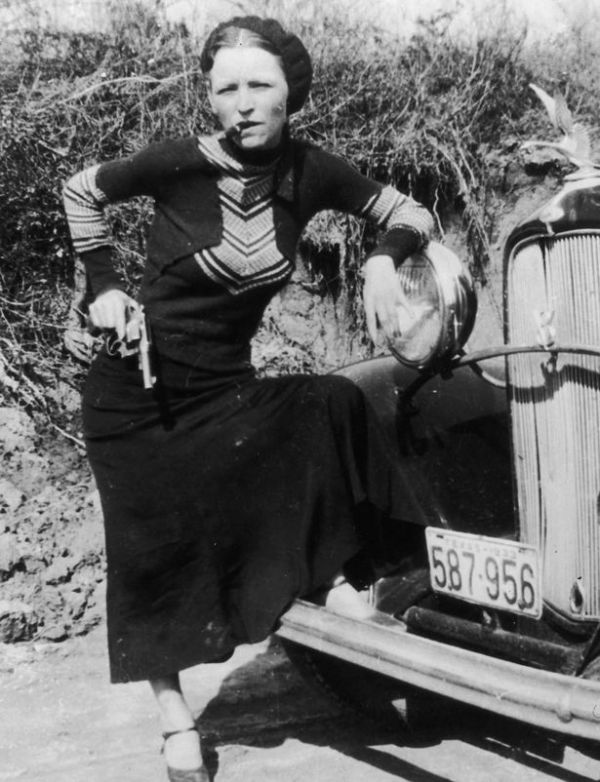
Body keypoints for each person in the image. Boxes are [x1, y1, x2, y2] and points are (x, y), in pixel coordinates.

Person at [62, 15, 433, 782]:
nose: (242, 103)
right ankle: (176, 720)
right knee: (154, 554)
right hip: (137, 395)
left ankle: (334, 578)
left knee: (331, 401)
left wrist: (381, 260)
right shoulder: (177, 162)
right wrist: (103, 287)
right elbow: (80, 190)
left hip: (225, 389)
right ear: (210, 97)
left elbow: (410, 213)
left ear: (289, 93)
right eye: (225, 88)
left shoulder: (311, 172)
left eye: (259, 85)